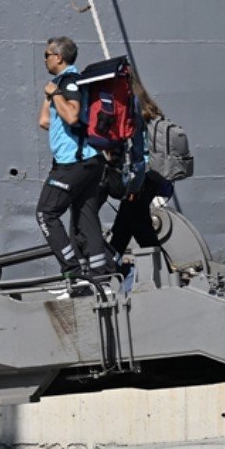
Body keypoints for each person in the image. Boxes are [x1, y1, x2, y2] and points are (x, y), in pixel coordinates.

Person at [36, 36, 117, 281]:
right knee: (85, 215)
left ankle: (72, 271)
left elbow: (72, 117)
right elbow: (44, 122)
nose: (45, 59)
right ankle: (102, 273)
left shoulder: (70, 82)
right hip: (90, 162)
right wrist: (49, 94)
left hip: (74, 163)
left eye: (47, 55)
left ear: (58, 57)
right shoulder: (61, 83)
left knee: (46, 214)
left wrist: (56, 93)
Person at [107, 74, 182, 254]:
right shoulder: (150, 109)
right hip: (153, 174)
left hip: (141, 176)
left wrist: (133, 184)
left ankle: (109, 270)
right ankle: (112, 268)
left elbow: (136, 150)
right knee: (132, 224)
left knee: (131, 225)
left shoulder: (132, 109)